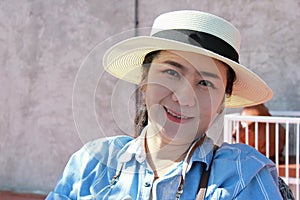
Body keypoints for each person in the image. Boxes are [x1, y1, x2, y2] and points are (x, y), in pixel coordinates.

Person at [46, 10, 285, 199]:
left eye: (204, 82)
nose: (184, 97)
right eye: (171, 72)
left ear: (222, 101)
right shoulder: (93, 163)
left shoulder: (240, 177)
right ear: (145, 80)